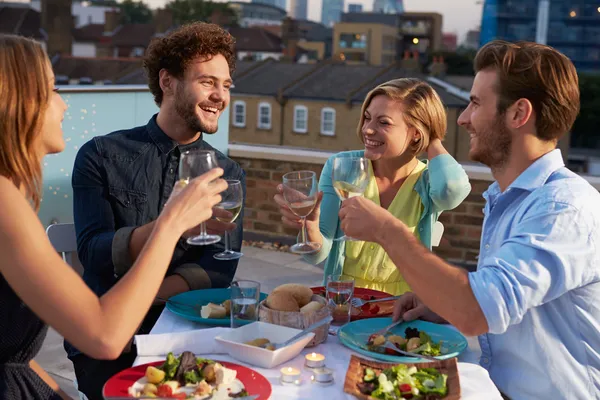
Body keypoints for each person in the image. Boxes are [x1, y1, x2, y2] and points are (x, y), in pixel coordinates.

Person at [338, 40, 600, 399]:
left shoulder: (565, 208)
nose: (462, 118)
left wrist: (387, 229)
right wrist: (441, 305)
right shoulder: (509, 199)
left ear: (518, 114)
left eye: (476, 103)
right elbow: (504, 303)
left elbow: (477, 311)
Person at [0, 34, 227, 400]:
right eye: (54, 90)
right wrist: (170, 224)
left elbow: (12, 358)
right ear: (16, 104)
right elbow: (106, 336)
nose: (63, 105)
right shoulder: (4, 204)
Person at [67, 23, 245, 399]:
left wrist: (140, 295)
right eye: (208, 82)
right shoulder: (101, 155)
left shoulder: (227, 173)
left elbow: (219, 268)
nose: (220, 96)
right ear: (168, 82)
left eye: (226, 85)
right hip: (110, 344)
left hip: (189, 335)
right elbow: (95, 253)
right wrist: (172, 224)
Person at [275, 78, 470, 295]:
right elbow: (318, 254)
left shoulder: (428, 182)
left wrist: (432, 138)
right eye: (367, 118)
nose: (367, 129)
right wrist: (310, 226)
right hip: (345, 300)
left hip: (402, 304)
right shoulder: (342, 167)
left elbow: (451, 190)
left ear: (416, 132)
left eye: (383, 122)